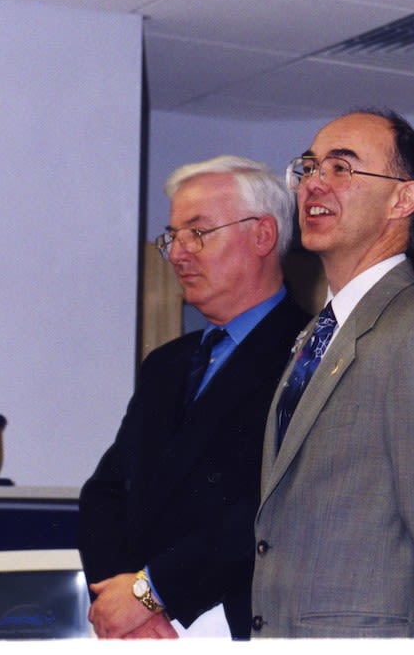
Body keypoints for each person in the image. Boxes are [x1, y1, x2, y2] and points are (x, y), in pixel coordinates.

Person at [250, 109, 414, 637]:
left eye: (342, 167)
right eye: (310, 166)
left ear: (402, 200)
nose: (314, 181)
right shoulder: (319, 332)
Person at [78, 155, 309, 640]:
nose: (178, 254)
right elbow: (104, 494)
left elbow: (271, 507)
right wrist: (124, 605)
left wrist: (150, 594)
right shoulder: (166, 364)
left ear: (263, 236)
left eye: (197, 233)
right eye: (173, 236)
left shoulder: (309, 356)